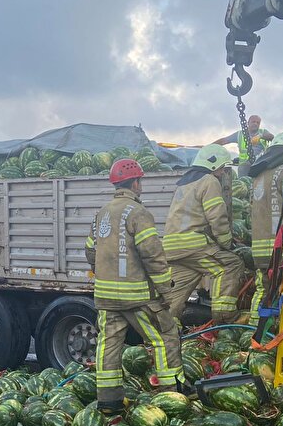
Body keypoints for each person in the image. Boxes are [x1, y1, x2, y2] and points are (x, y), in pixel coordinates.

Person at [85, 159, 182, 410]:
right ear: (136, 182)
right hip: (137, 296)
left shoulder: (101, 213)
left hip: (105, 296)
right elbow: (152, 255)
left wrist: (103, 272)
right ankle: (171, 391)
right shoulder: (138, 213)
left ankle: (108, 400)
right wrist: (165, 291)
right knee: (165, 336)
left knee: (108, 343)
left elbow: (89, 250)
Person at [162, 146, 246, 324]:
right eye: (222, 168)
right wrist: (227, 244)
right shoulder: (209, 181)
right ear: (213, 163)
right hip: (193, 244)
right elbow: (217, 217)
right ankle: (225, 318)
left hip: (172, 248)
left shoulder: (183, 183)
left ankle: (163, 329)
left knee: (177, 291)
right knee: (230, 265)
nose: (222, 172)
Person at [246, 131, 283, 324]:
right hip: (281, 249)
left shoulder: (258, 177)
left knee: (263, 289)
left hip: (259, 249)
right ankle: (277, 331)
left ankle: (253, 332)